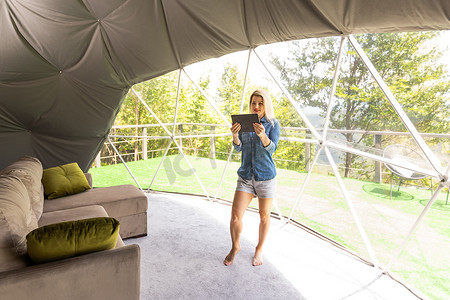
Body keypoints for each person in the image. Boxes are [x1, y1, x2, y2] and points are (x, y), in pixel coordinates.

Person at [224, 89, 280, 267]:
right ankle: (235, 246)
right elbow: (239, 148)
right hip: (246, 176)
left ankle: (259, 249)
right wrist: (234, 134)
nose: (256, 106)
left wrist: (262, 134)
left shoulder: (272, 124)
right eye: (254, 103)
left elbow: (272, 149)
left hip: (265, 177)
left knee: (264, 216)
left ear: (266, 104)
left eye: (260, 103)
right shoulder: (244, 122)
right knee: (235, 216)